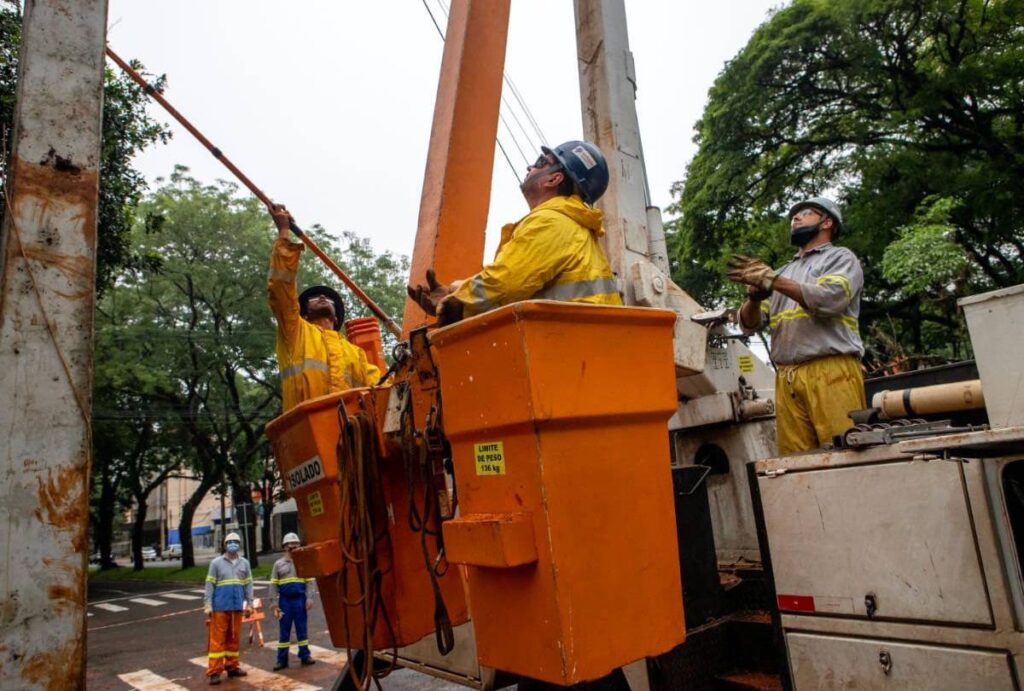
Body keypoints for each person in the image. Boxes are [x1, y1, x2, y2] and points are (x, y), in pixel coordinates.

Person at [407, 140, 622, 324]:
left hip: (568, 350)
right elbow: (517, 282)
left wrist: (454, 306)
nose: (530, 167)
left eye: (541, 162)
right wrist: (455, 293)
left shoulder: (551, 223)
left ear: (554, 179)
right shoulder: (569, 227)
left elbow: (506, 282)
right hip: (580, 347)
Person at [728, 196, 866, 455]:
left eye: (806, 213)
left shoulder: (841, 258)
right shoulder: (784, 271)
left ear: (827, 222)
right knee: (796, 462)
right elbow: (749, 325)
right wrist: (753, 299)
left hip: (832, 371)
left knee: (845, 453)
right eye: (794, 215)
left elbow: (829, 299)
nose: (796, 218)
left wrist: (773, 280)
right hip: (787, 377)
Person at [268, 206, 382, 411]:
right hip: (308, 433)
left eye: (328, 298)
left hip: (352, 437)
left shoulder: (356, 354)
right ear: (303, 313)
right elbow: (281, 289)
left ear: (336, 318)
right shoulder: (295, 332)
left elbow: (383, 389)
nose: (322, 296)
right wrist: (283, 232)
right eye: (313, 297)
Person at [203, 532, 254, 685]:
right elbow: (209, 585)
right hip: (220, 608)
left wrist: (250, 603)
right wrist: (208, 604)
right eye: (230, 542)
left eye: (236, 541)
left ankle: (232, 666)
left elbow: (248, 584)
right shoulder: (216, 563)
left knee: (233, 639)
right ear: (224, 545)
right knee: (217, 641)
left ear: (239, 545)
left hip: (236, 607)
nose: (233, 544)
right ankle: (214, 672)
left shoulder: (244, 563)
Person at [270, 532, 316, 671]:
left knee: (302, 630)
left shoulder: (303, 562)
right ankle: (281, 660)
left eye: (295, 543)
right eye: (290, 544)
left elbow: (310, 582)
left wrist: (309, 598)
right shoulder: (278, 564)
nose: (293, 546)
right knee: (284, 632)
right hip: (285, 602)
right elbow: (273, 584)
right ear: (285, 546)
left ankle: (305, 655)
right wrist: (273, 603)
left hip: (300, 601)